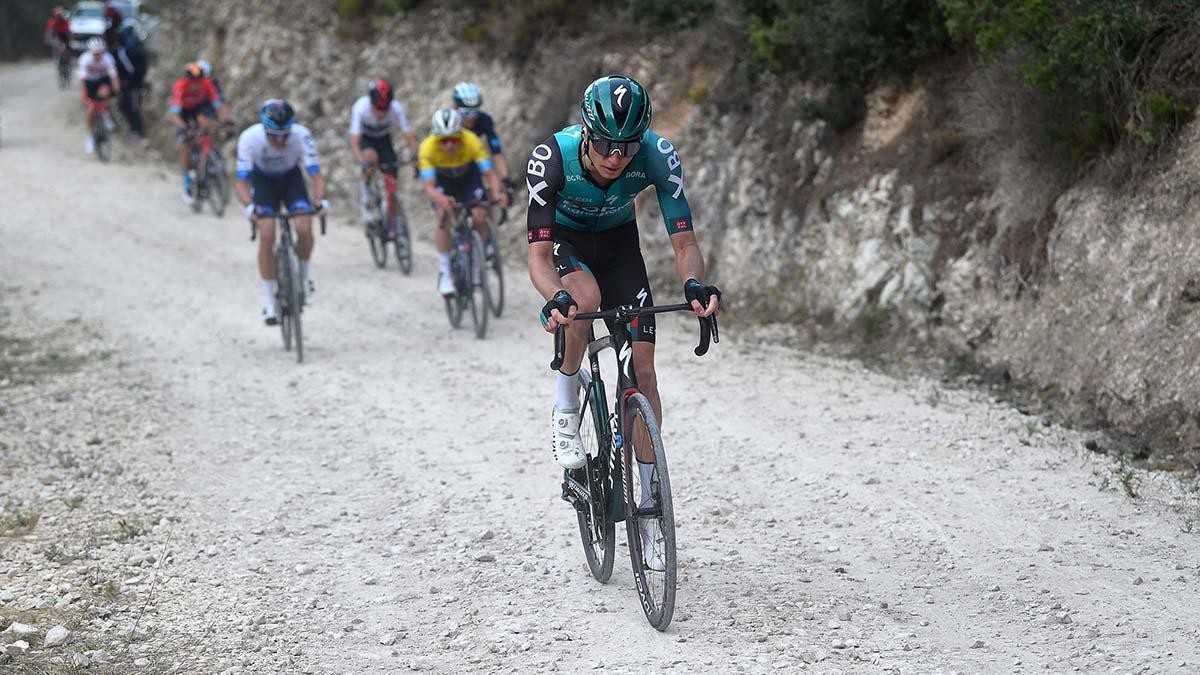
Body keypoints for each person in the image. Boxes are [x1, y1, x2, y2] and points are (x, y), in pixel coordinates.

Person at [526, 74, 721, 567]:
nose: (618, 156)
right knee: (583, 300)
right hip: (567, 243)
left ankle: (652, 506)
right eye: (609, 144)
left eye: (629, 145)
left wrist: (694, 285)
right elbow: (539, 258)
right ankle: (566, 405)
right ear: (588, 132)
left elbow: (685, 243)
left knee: (645, 371)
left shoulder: (658, 155)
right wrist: (554, 298)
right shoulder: (553, 158)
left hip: (618, 247)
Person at [235, 100, 328, 325]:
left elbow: (316, 175)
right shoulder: (249, 138)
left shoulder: (301, 135)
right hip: (263, 182)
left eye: (285, 135)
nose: (280, 141)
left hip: (290, 179)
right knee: (267, 234)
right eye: (274, 135)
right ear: (264, 129)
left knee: (304, 227)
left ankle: (304, 279)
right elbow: (241, 182)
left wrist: (320, 201)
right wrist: (249, 205)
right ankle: (269, 301)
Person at [418, 109, 509, 296]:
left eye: (454, 139)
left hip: (468, 178)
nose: (450, 145)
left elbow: (489, 174)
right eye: (444, 140)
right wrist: (440, 198)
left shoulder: (471, 140)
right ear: (436, 137)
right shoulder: (427, 147)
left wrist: (498, 192)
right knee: (444, 216)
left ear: (461, 135)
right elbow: (429, 186)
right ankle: (445, 273)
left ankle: (477, 262)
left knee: (480, 216)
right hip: (443, 181)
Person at [349, 79, 419, 229]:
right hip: (366, 139)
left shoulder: (396, 109)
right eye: (377, 108)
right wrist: (362, 162)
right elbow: (355, 141)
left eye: (385, 108)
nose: (381, 112)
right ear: (371, 103)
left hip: (384, 139)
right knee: (370, 159)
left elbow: (409, 135)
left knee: (392, 171)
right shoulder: (360, 108)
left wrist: (415, 156)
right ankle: (366, 202)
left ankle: (391, 204)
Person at [169, 62, 227, 204]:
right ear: (187, 80)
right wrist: (185, 128)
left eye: (198, 82)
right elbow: (175, 115)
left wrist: (224, 122)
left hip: (199, 110)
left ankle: (208, 160)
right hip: (183, 113)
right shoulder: (180, 86)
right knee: (186, 143)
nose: (196, 85)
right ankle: (187, 183)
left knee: (206, 124)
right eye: (192, 82)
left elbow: (218, 107)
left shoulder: (207, 84)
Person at [452, 82, 514, 195]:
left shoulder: (483, 120)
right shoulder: (451, 124)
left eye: (475, 111)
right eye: (466, 112)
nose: (471, 117)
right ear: (456, 108)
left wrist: (505, 178)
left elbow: (496, 152)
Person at [77, 37, 120, 155]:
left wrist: (117, 89)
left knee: (105, 94)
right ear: (91, 52)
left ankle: (106, 115)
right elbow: (82, 80)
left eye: (99, 53)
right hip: (89, 82)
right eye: (95, 54)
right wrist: (84, 94)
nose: (97, 56)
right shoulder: (85, 59)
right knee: (91, 109)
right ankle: (90, 136)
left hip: (102, 80)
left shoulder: (108, 58)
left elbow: (114, 76)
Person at [115, 24, 147, 139]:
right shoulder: (138, 44)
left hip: (131, 83)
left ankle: (137, 131)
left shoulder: (125, 48)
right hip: (136, 82)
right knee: (132, 106)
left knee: (133, 107)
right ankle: (134, 129)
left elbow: (131, 68)